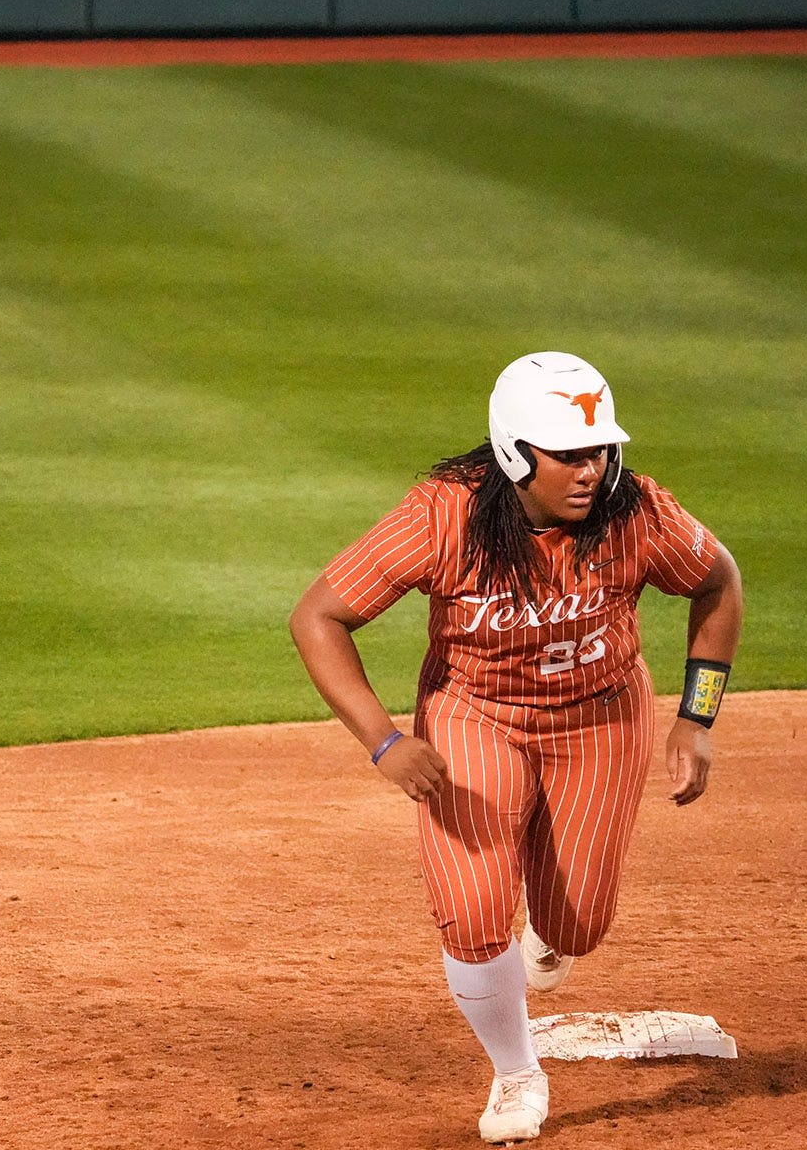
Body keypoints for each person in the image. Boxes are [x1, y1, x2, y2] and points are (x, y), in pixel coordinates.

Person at [288, 352, 744, 1144]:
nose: (591, 470)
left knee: (576, 927)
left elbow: (720, 581)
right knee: (471, 913)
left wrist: (696, 719)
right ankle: (515, 1072)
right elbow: (318, 616)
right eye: (567, 453)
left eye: (601, 450)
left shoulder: (637, 513)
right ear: (513, 453)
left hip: (601, 719)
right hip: (477, 719)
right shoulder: (444, 517)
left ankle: (545, 944)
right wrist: (384, 740)